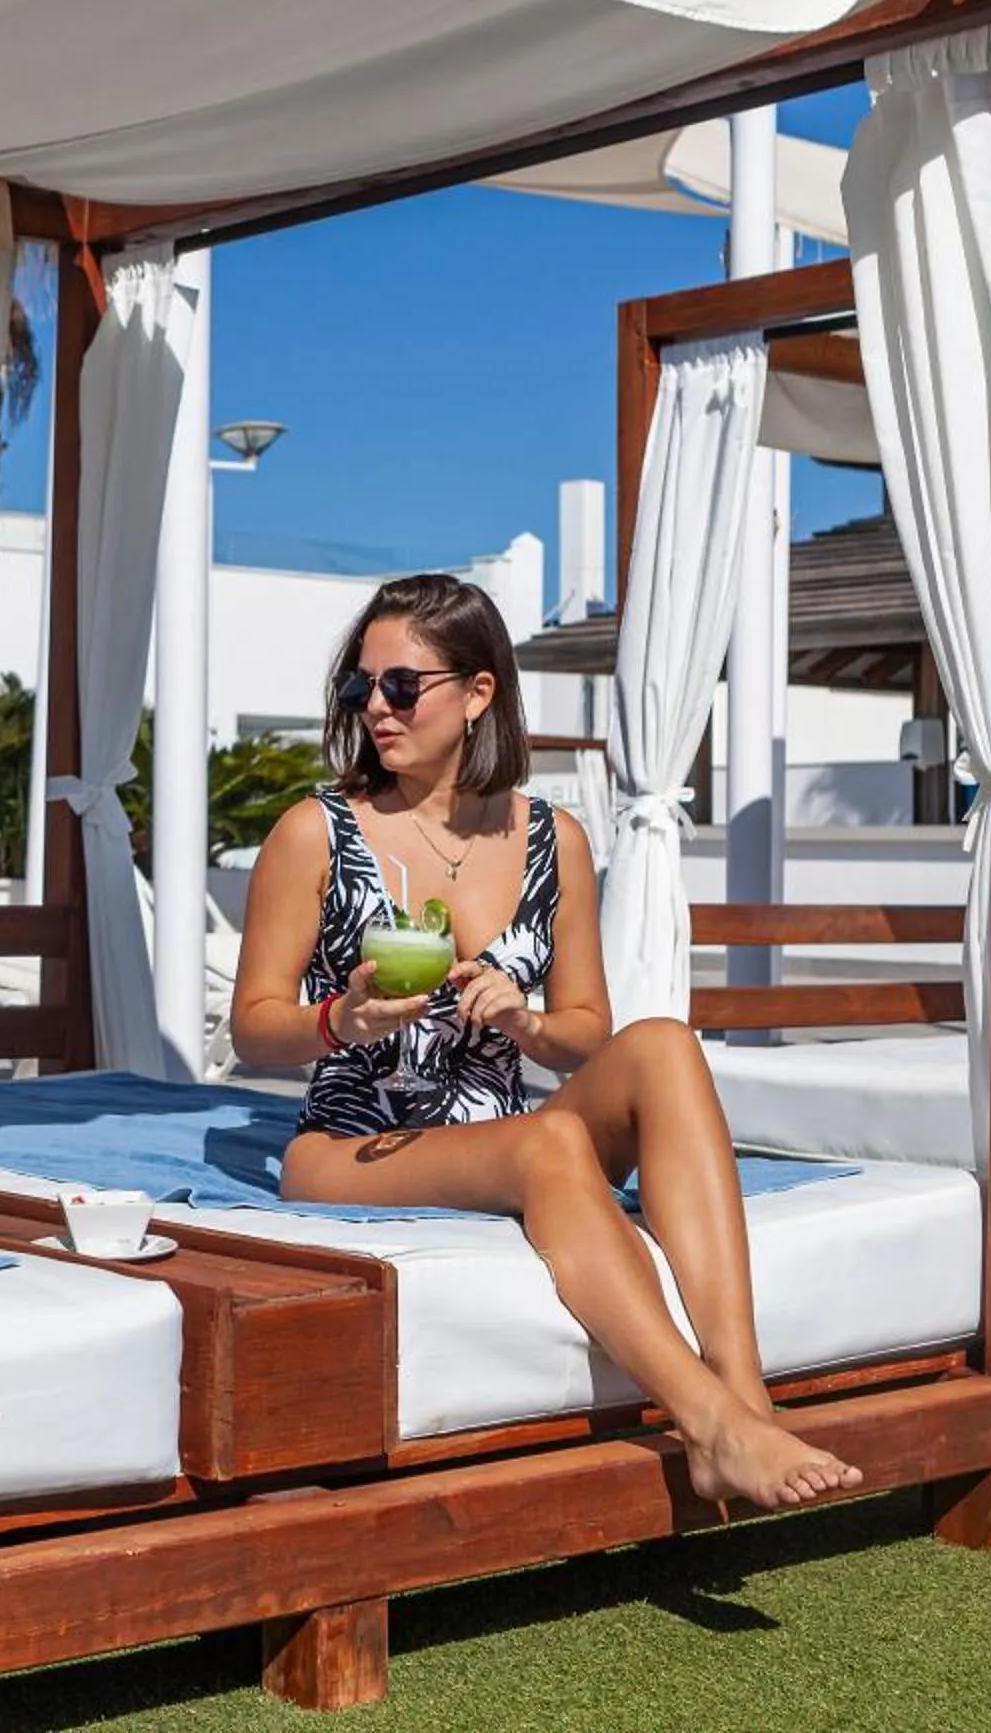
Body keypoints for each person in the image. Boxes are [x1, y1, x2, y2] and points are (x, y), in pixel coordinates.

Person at [229, 574, 860, 1512]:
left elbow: (585, 1036)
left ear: (478, 692)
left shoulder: (550, 839)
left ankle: (745, 1388)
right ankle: (708, 1423)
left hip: (500, 1130)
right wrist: (345, 1019)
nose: (375, 709)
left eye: (401, 686)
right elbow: (251, 1028)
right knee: (550, 1142)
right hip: (352, 1145)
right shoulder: (315, 832)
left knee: (663, 1045)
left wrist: (523, 1020)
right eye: (362, 687)